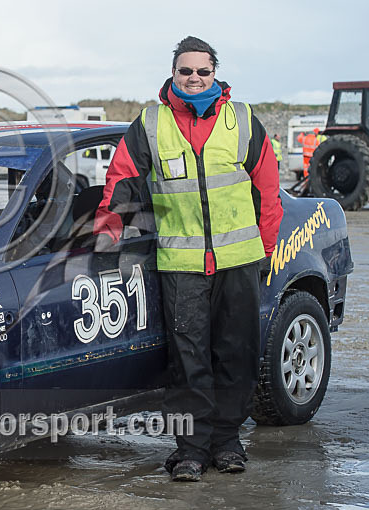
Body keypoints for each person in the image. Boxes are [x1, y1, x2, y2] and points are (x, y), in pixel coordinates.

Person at [94, 36, 283, 482]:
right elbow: (122, 181)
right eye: (186, 71)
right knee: (188, 359)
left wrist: (267, 250)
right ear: (173, 73)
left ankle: (228, 443)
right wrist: (106, 233)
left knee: (237, 354)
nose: (194, 78)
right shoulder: (150, 123)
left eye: (202, 71)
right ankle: (191, 451)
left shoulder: (242, 120)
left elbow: (267, 191)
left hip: (238, 262)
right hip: (182, 267)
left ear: (215, 74)